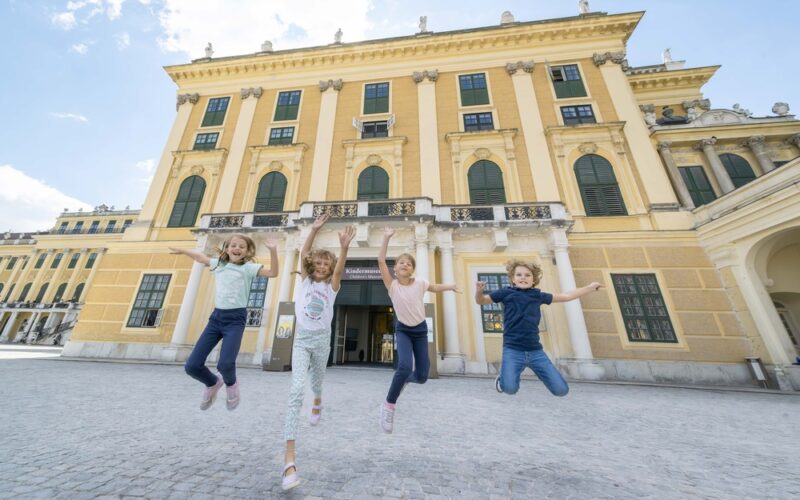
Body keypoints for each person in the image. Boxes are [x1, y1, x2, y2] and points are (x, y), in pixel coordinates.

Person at [282, 213, 355, 491]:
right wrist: (312, 229)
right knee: (296, 390)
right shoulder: (305, 282)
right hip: (301, 340)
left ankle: (319, 400)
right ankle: (289, 460)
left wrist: (344, 247)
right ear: (313, 265)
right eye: (319, 262)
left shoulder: (332, 287)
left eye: (327, 263)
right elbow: (303, 252)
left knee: (316, 383)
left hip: (323, 340)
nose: (323, 266)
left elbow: (340, 268)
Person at [170, 234, 278, 411]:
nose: (237, 249)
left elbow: (273, 273)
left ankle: (232, 385)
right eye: (233, 245)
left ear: (247, 251)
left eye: (241, 247)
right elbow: (199, 256)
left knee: (225, 364)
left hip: (236, 319)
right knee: (192, 366)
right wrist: (182, 250)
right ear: (227, 248)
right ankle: (213, 383)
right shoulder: (218, 265)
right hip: (216, 318)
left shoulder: (249, 268)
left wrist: (273, 251)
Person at [474, 259, 601, 397]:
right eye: (519, 275)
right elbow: (482, 301)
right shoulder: (506, 292)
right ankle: (503, 380)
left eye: (528, 275)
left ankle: (539, 374)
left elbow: (566, 296)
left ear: (533, 279)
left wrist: (590, 287)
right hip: (513, 350)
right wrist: (479, 292)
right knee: (510, 389)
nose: (523, 277)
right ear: (512, 279)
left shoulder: (538, 295)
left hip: (535, 351)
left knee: (561, 390)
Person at [378, 226, 460, 434]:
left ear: (412, 269)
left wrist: (450, 286)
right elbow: (380, 261)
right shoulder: (392, 286)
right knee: (405, 365)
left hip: (421, 331)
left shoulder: (420, 283)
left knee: (422, 376)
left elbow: (435, 288)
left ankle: (406, 379)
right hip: (404, 330)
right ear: (395, 268)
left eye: (408, 263)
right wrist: (387, 237)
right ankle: (389, 405)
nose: (404, 264)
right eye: (401, 262)